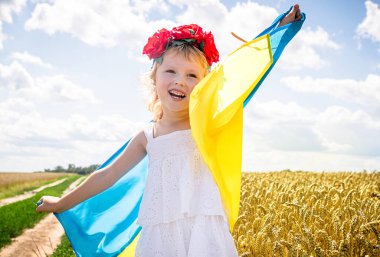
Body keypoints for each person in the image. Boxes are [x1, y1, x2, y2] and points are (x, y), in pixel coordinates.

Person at [36, 4, 303, 256]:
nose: (180, 81)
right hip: (159, 239)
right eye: (171, 71)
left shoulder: (206, 123)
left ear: (205, 85)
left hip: (205, 234)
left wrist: (279, 30)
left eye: (192, 75)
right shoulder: (147, 136)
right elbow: (108, 175)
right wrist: (62, 203)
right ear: (154, 76)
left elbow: (246, 73)